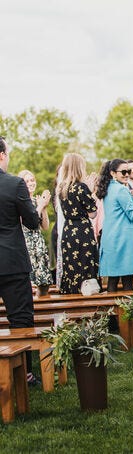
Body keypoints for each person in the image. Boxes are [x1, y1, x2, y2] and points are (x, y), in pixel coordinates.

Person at [0, 137, 41, 384]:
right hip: (12, 262)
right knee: (21, 319)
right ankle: (25, 375)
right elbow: (32, 222)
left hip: (11, 261)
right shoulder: (15, 184)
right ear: (2, 155)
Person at [97, 159, 133, 291]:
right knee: (127, 283)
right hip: (124, 240)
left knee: (112, 281)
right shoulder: (121, 190)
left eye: (129, 171)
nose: (127, 174)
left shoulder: (109, 188)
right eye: (123, 172)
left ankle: (110, 311)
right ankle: (126, 312)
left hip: (112, 238)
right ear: (113, 173)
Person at [57, 153, 99, 294]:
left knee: (71, 266)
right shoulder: (81, 187)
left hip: (68, 230)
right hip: (82, 231)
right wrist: (91, 192)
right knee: (85, 266)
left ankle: (71, 294)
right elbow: (92, 213)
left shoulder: (61, 188)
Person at [17, 170, 53, 289]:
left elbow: (45, 226)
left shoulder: (37, 201)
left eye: (32, 180)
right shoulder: (21, 202)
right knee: (30, 283)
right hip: (27, 244)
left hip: (38, 243)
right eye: (27, 181)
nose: (31, 183)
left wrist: (43, 208)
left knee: (43, 283)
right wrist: (40, 206)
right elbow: (27, 222)